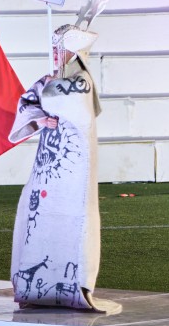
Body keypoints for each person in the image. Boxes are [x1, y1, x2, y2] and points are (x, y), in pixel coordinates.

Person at [8, 24, 104, 309]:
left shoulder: (81, 79)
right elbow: (27, 103)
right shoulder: (48, 79)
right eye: (53, 48)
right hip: (48, 161)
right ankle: (32, 287)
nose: (54, 54)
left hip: (73, 163)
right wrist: (39, 119)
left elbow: (76, 108)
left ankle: (73, 284)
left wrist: (52, 99)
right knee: (37, 214)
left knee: (74, 216)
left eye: (60, 49)